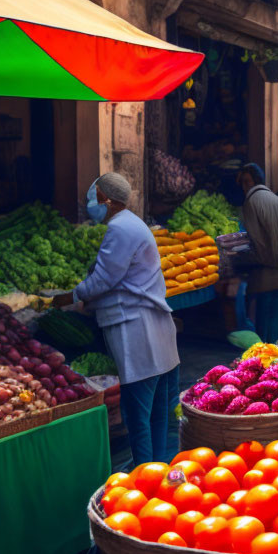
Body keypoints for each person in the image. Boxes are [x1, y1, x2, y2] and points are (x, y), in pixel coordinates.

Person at [58, 173, 179, 466]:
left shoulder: (120, 228)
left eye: (93, 196)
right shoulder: (131, 224)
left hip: (138, 332)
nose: (89, 203)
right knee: (157, 417)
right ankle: (158, 471)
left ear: (107, 200)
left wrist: (68, 297)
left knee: (139, 418)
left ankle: (146, 478)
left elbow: (104, 278)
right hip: (154, 333)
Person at [238, 164, 278, 343]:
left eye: (247, 181)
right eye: (242, 182)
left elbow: (254, 240)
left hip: (262, 278)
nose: (244, 186)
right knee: (274, 332)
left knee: (262, 335)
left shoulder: (251, 202)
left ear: (256, 181)